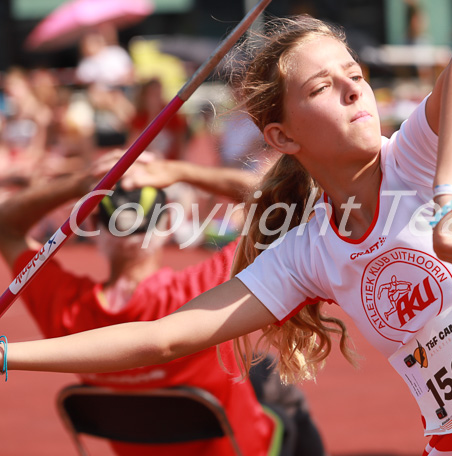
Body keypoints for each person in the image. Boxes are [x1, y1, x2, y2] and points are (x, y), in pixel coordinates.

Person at [2, 15, 452, 455]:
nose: (351, 88)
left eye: (356, 75)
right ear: (282, 138)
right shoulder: (310, 250)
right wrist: (11, 356)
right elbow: (163, 335)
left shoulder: (417, 159)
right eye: (322, 86)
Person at [0, 154, 326, 456]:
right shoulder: (204, 286)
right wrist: (181, 172)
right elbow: (291, 204)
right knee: (278, 390)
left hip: (142, 442)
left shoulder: (62, 305)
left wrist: (82, 184)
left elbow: (5, 225)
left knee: (256, 369)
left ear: (94, 227)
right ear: (167, 222)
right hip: (244, 449)